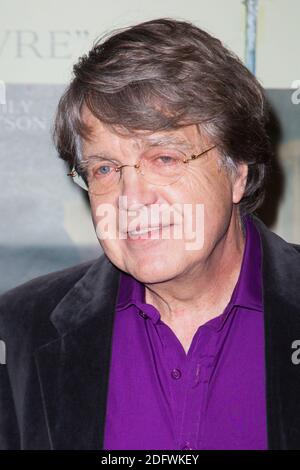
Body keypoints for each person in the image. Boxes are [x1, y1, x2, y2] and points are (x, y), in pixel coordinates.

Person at [1, 17, 300, 451]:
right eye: (105, 168)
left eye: (163, 158)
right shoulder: (19, 332)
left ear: (237, 171)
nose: (131, 198)